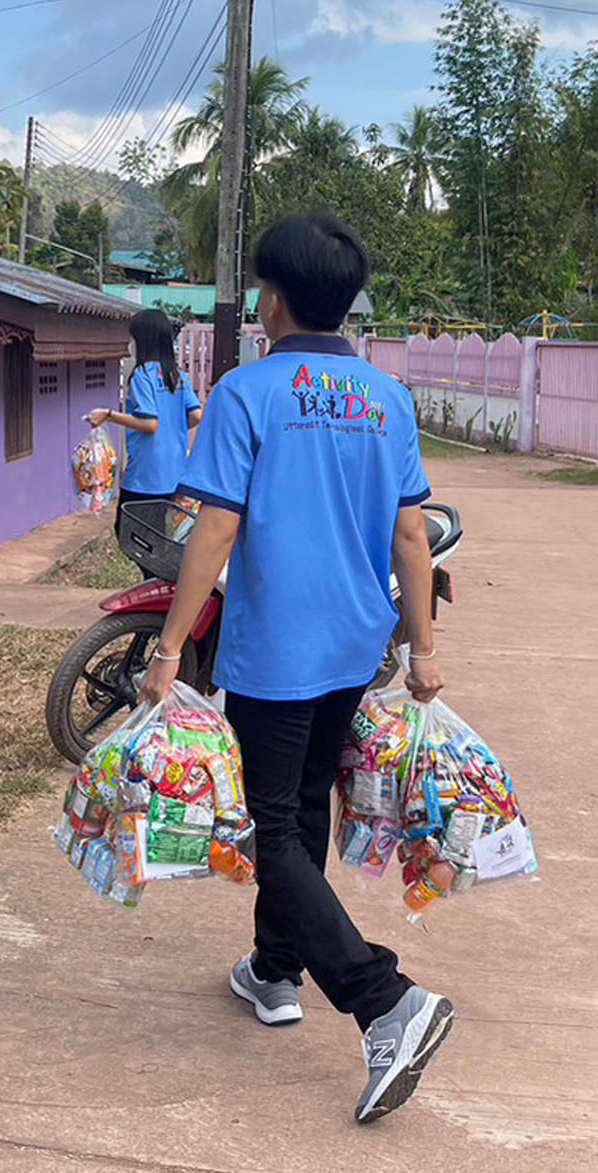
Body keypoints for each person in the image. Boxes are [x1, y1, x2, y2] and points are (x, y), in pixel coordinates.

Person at [137, 212, 453, 1124]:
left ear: (270, 299)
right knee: (303, 800)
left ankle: (383, 999)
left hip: (277, 648)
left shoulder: (247, 392)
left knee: (268, 827)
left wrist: (168, 650)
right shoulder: (387, 398)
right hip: (357, 643)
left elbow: (217, 528)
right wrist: (423, 650)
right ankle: (276, 970)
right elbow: (409, 533)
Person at [87, 308, 202, 539]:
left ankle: (156, 576)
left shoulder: (143, 375)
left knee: (131, 536)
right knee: (157, 536)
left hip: (146, 475)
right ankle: (159, 575)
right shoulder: (176, 375)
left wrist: (108, 414)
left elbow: (149, 424)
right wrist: (174, 429)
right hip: (174, 471)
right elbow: (196, 415)